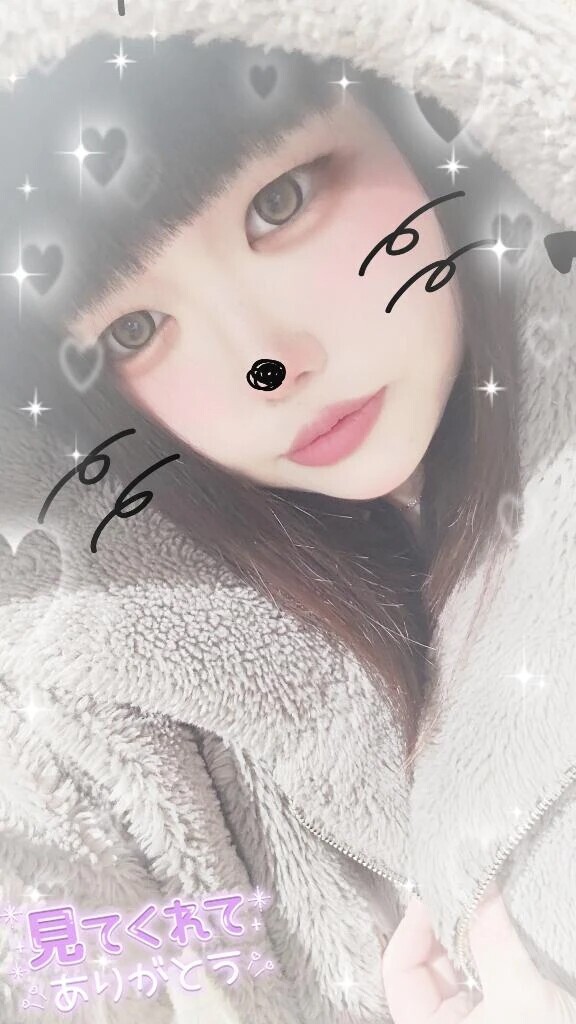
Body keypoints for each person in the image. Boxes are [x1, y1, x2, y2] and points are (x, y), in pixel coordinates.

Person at [0, 2, 574, 1022]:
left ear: (421, 107)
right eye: (136, 327)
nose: (265, 363)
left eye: (281, 201)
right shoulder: (96, 666)